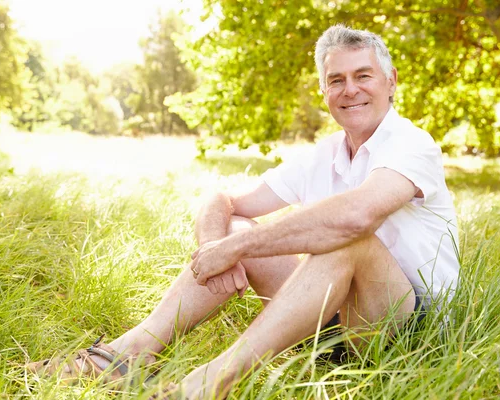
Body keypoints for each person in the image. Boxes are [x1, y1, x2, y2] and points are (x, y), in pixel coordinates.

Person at [27, 24, 460, 398]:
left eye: (363, 75)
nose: (350, 89)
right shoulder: (326, 153)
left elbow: (355, 218)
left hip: (407, 332)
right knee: (234, 225)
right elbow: (223, 200)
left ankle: (208, 382)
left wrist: (238, 246)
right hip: (335, 326)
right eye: (336, 79)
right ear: (324, 90)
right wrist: (217, 244)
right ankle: (129, 352)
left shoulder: (411, 143)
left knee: (346, 242)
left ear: (391, 80)